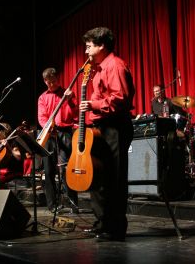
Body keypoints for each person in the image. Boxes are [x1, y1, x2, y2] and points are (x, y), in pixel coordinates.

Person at [79, 27, 135, 241]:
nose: (86, 50)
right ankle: (102, 223)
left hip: (115, 126)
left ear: (101, 45)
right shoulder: (99, 69)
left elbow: (119, 98)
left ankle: (115, 228)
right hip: (102, 128)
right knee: (100, 176)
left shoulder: (115, 65)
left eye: (89, 45)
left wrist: (92, 104)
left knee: (115, 179)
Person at [37, 67, 79, 213]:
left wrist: (70, 101)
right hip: (49, 133)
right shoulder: (42, 97)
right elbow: (42, 117)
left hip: (65, 132)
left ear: (57, 78)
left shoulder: (67, 93)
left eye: (54, 81)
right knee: (49, 170)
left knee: (67, 169)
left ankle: (73, 202)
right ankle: (52, 205)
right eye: (49, 83)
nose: (52, 85)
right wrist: (48, 127)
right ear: (45, 81)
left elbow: (75, 113)